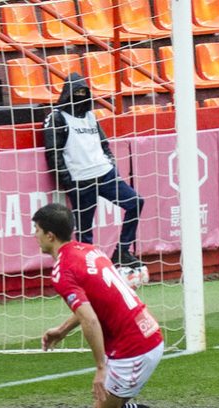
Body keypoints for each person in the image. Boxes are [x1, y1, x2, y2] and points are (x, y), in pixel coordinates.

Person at [32, 203, 204, 408]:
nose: (34, 235)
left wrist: (100, 367)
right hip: (144, 331)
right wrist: (62, 330)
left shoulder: (62, 271)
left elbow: (90, 319)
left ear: (50, 235)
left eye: (37, 229)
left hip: (134, 346)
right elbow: (96, 302)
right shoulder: (90, 251)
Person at [43, 72, 145, 268]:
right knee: (85, 230)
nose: (80, 96)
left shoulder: (91, 116)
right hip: (80, 179)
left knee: (134, 202)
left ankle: (122, 251)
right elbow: (53, 152)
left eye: (84, 92)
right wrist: (67, 179)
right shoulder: (56, 117)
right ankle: (86, 268)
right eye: (76, 92)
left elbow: (103, 143)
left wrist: (110, 163)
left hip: (105, 173)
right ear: (67, 93)